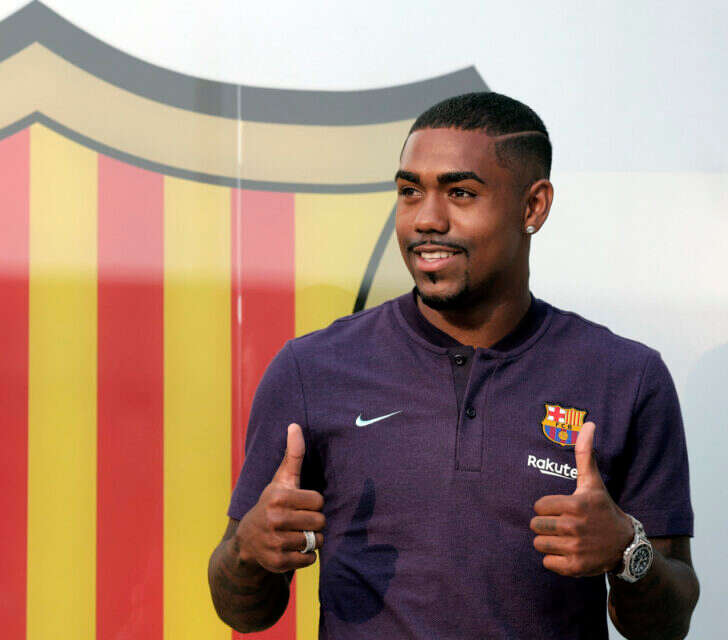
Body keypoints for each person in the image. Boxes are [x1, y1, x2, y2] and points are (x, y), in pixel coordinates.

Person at [207, 92, 699, 638]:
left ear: (533, 207)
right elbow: (242, 611)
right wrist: (249, 551)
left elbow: (667, 624)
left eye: (460, 193)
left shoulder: (627, 378)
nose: (426, 219)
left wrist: (628, 553)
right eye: (409, 192)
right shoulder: (312, 369)